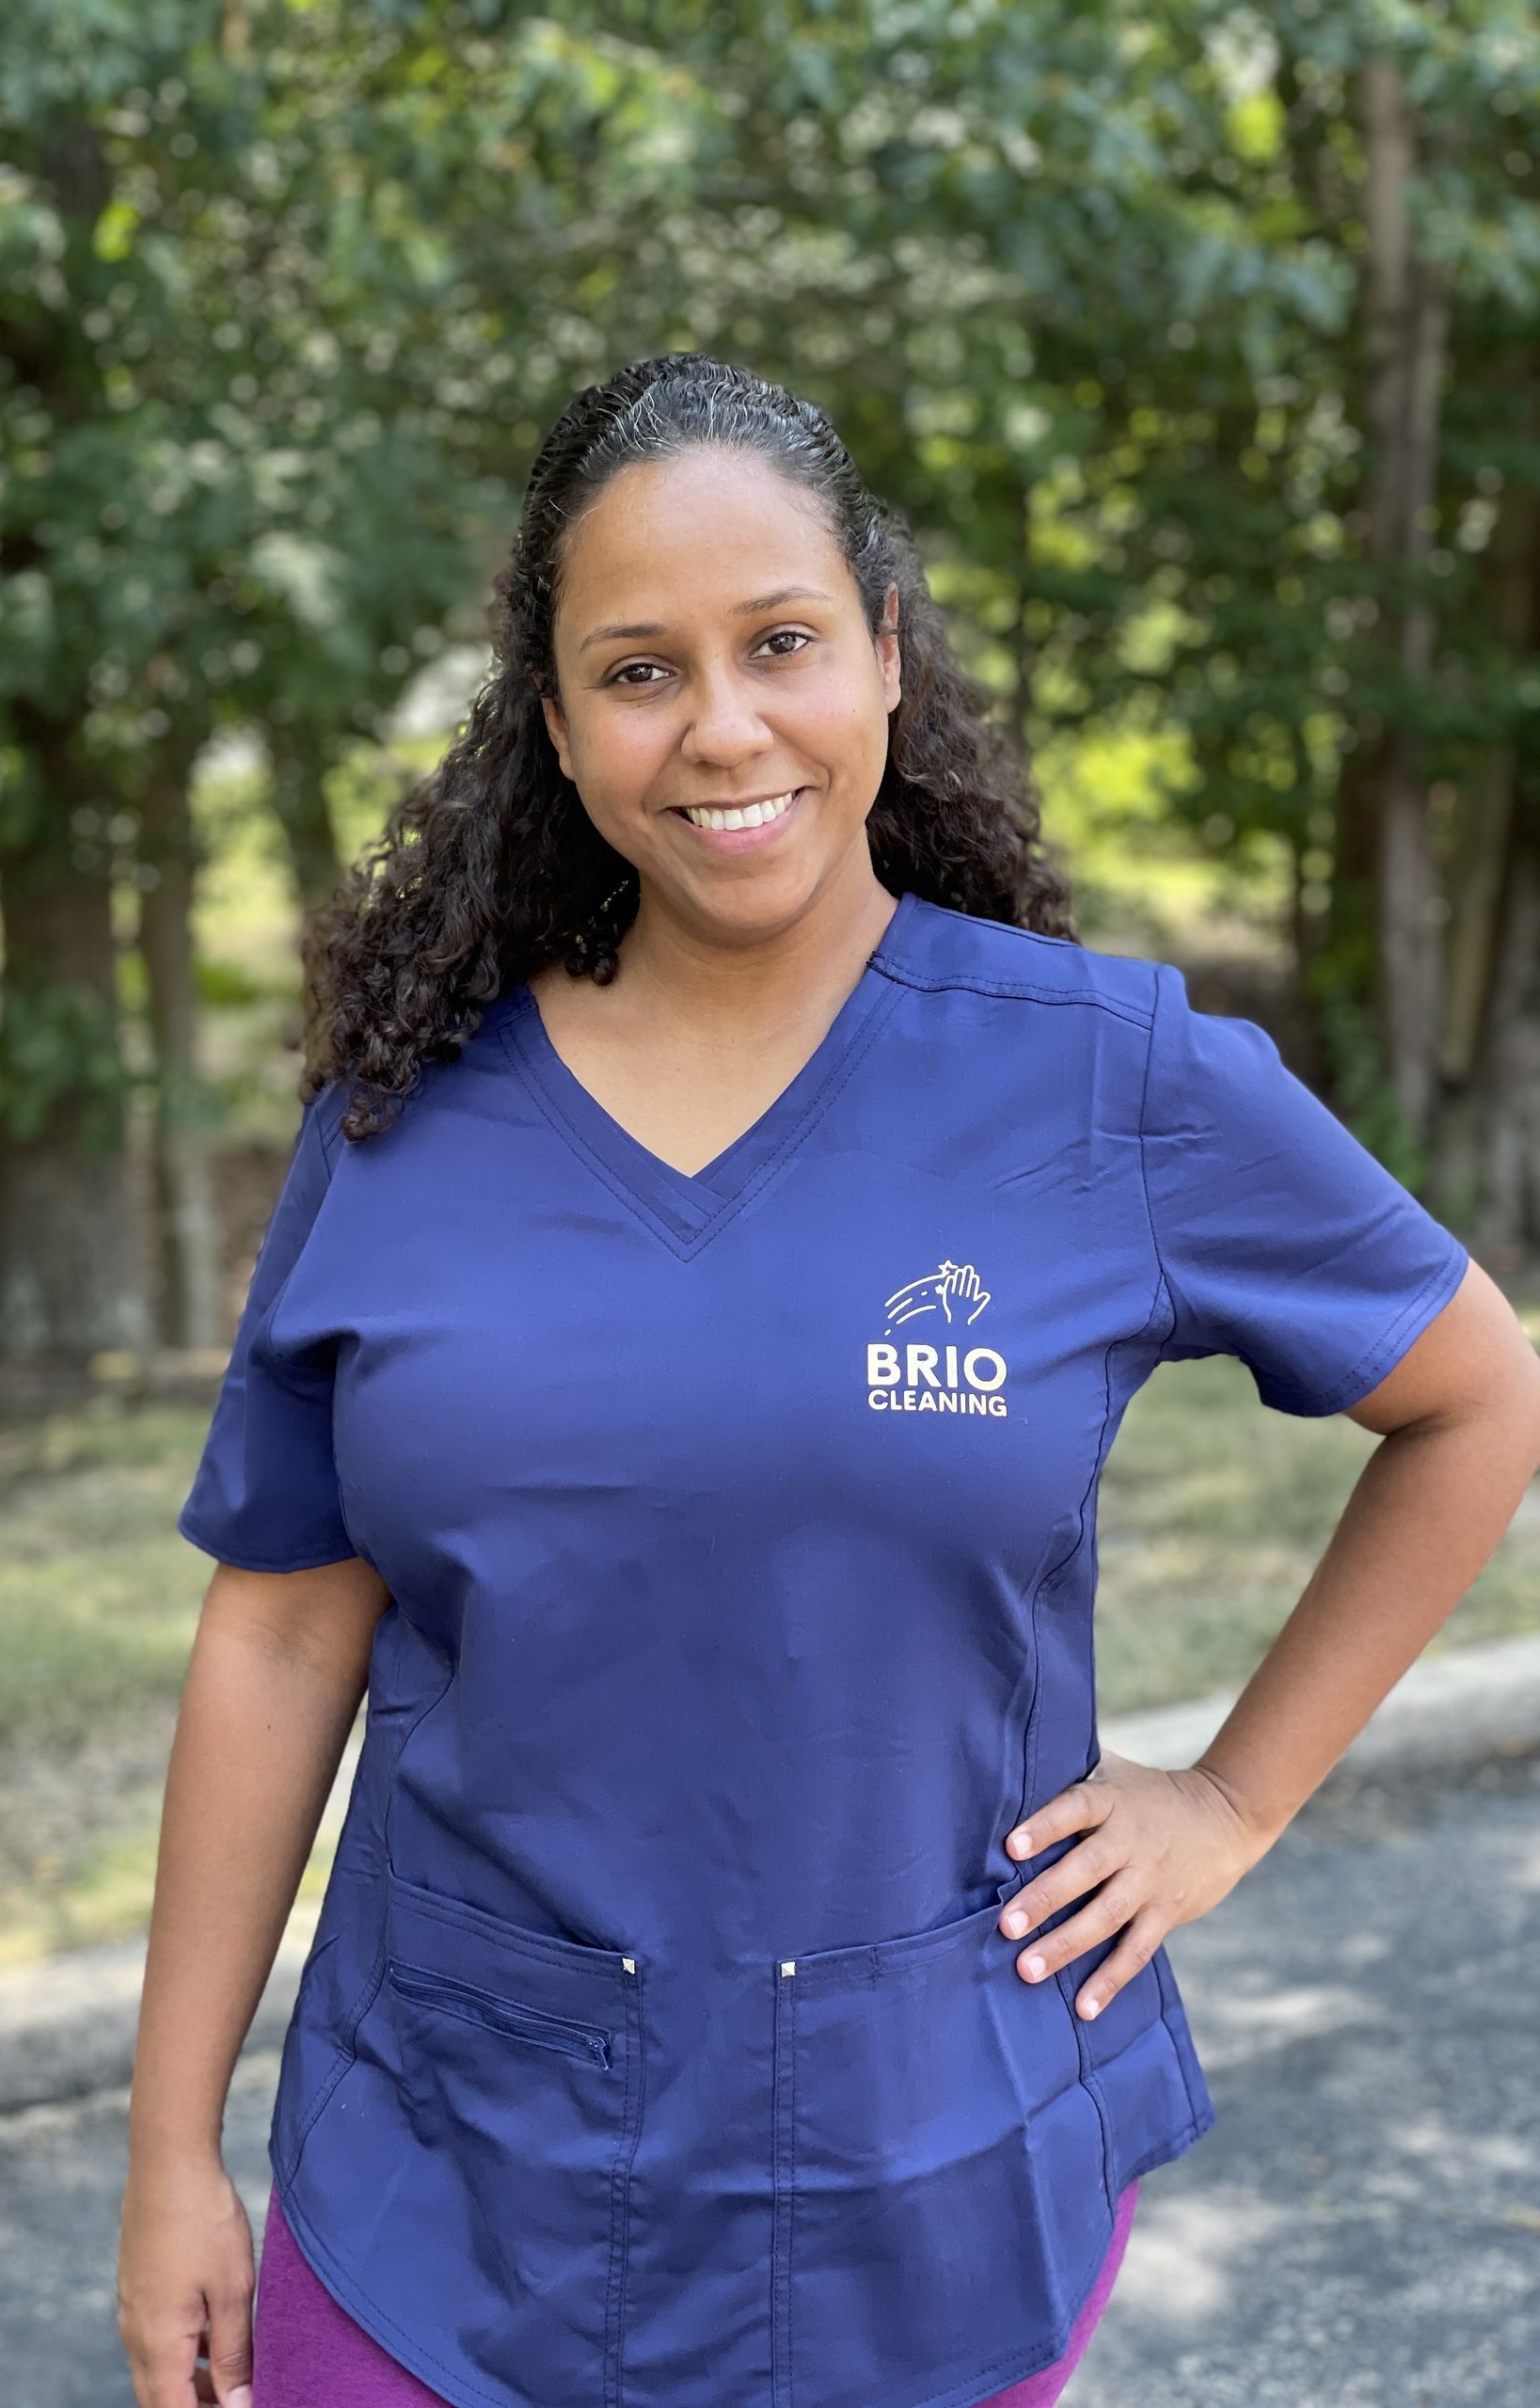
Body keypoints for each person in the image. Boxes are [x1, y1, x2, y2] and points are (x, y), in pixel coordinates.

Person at [116, 354, 1540, 2408]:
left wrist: (1229, 1798)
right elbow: (274, 1633)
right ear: (555, 722)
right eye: (636, 668)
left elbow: (1476, 1390)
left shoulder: (1107, 1082)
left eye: (779, 640)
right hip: (442, 2192)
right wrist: (170, 2149)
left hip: (931, 2189)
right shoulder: (402, 1121)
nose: (720, 726)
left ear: (884, 648)